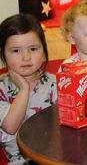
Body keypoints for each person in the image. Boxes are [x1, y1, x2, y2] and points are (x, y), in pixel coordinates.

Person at [0, 14, 57, 162]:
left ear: (43, 50)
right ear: (3, 54)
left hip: (53, 158)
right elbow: (10, 127)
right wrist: (24, 89)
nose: (26, 57)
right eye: (16, 51)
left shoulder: (55, 83)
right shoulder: (1, 88)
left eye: (33, 49)